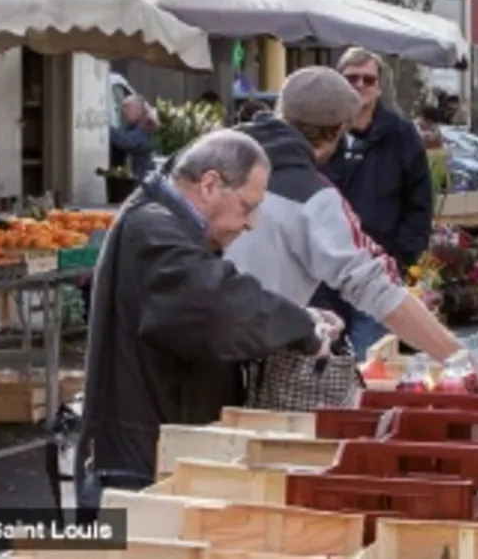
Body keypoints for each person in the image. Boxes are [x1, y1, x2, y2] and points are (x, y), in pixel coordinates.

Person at [75, 128, 338, 504]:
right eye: (247, 207)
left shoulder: (162, 223)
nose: (251, 223)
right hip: (135, 470)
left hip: (150, 457)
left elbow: (214, 298)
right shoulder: (152, 229)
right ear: (210, 184)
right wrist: (302, 328)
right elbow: (218, 310)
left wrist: (300, 318)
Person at [226, 66, 478, 376]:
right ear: (338, 131)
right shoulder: (315, 197)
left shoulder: (211, 157)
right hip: (245, 366)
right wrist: (465, 363)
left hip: (186, 356)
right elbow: (377, 288)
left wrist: (301, 315)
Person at [322, 47, 436, 356]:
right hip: (324, 269)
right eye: (351, 79)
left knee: (370, 363)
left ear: (380, 86)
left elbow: (419, 201)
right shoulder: (321, 131)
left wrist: (403, 257)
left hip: (376, 270)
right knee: (324, 363)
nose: (359, 86)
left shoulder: (401, 135)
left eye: (368, 79)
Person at [108, 92, 158, 184]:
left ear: (137, 109)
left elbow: (126, 142)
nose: (125, 112)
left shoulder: (145, 127)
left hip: (141, 179)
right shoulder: (132, 125)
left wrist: (106, 128)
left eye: (128, 108)